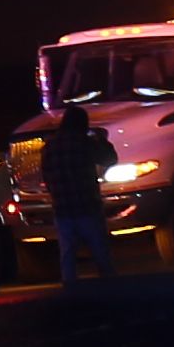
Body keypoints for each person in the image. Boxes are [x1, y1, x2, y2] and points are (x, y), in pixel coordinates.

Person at [44, 94, 118, 280]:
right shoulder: (84, 144)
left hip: (63, 210)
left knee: (68, 257)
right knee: (101, 255)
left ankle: (70, 297)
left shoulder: (50, 147)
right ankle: (112, 295)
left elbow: (47, 177)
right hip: (87, 207)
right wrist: (102, 139)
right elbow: (110, 159)